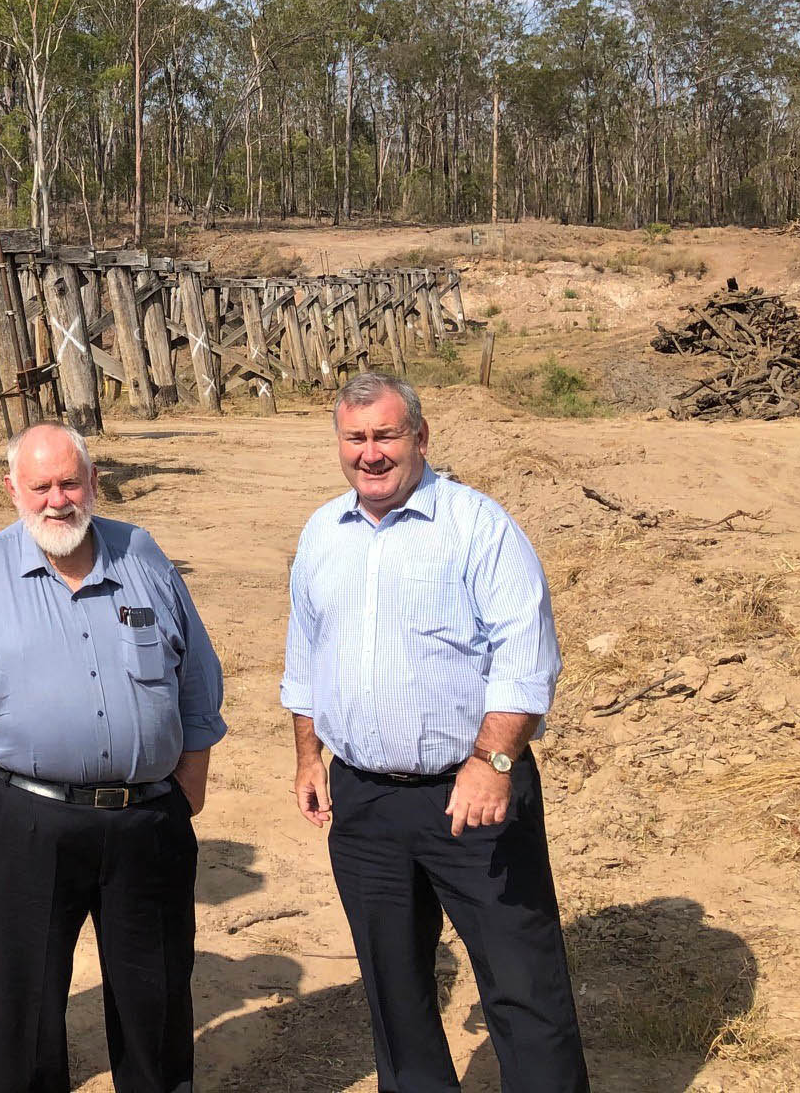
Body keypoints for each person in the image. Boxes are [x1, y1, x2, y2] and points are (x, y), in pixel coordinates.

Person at [284, 373, 589, 1093]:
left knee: (521, 983)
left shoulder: (476, 525)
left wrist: (491, 762)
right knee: (395, 990)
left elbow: (526, 654)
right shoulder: (322, 534)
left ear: (420, 437)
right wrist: (308, 756)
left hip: (471, 794)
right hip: (363, 803)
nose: (371, 453)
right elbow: (306, 656)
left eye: (386, 435)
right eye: (355, 438)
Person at [0, 422, 226, 1093]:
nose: (58, 500)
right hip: (24, 822)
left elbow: (196, 676)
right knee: (21, 1006)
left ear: (93, 482)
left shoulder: (143, 555)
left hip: (146, 822)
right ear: (13, 491)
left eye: (70, 482)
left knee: (157, 1001)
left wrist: (188, 780)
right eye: (41, 486)